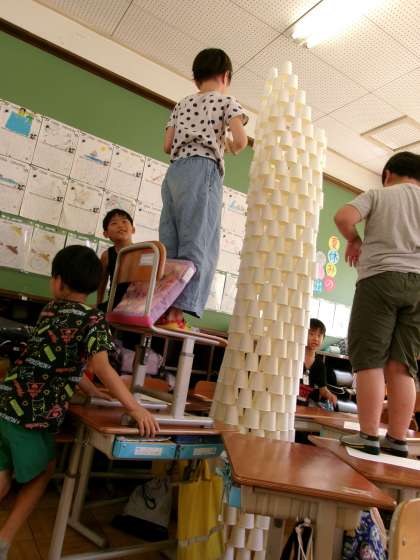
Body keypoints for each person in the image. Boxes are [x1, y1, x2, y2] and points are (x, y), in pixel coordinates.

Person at [0, 245, 158, 559]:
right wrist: (135, 407)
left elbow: (59, 358)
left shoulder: (50, 309)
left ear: (58, 281)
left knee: (3, 471)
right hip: (33, 415)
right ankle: (4, 540)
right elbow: (101, 366)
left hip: (8, 402)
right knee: (44, 469)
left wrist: (90, 389)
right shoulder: (93, 319)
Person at [334, 151, 420, 457]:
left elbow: (343, 218)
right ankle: (397, 440)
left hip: (380, 279)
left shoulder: (379, 194)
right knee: (403, 365)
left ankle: (368, 435)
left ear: (387, 175)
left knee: (369, 358)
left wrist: (354, 240)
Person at [159, 48, 249, 330]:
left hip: (175, 172)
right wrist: (229, 146)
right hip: (203, 169)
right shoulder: (226, 101)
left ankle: (162, 307)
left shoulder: (182, 104)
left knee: (170, 242)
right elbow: (242, 140)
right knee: (199, 242)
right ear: (226, 76)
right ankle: (176, 314)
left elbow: (167, 146)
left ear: (196, 78)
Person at [97, 209, 135, 309]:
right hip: (112, 306)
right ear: (106, 234)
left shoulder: (142, 251)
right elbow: (102, 282)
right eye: (114, 223)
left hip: (134, 306)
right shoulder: (106, 255)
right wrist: (98, 304)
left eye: (124, 221)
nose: (120, 225)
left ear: (133, 229)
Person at [299, 318, 337, 408]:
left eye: (319, 335)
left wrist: (330, 395)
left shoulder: (320, 365)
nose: (316, 338)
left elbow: (323, 390)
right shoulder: (295, 359)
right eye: (311, 334)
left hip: (308, 407)